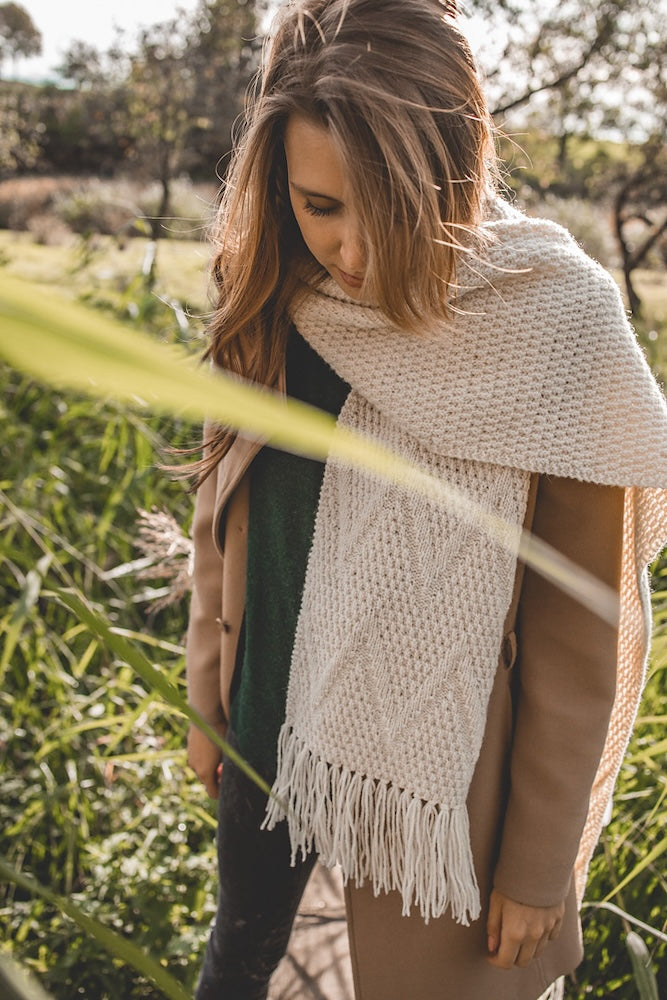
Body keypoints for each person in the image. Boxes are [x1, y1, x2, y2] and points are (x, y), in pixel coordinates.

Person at [184, 1, 667, 998]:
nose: (349, 248)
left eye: (385, 205)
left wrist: (539, 864)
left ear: (454, 170)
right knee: (241, 972)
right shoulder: (272, 287)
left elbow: (581, 620)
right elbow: (221, 508)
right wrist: (206, 697)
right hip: (263, 751)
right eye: (320, 205)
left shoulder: (555, 322)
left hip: (439, 805)